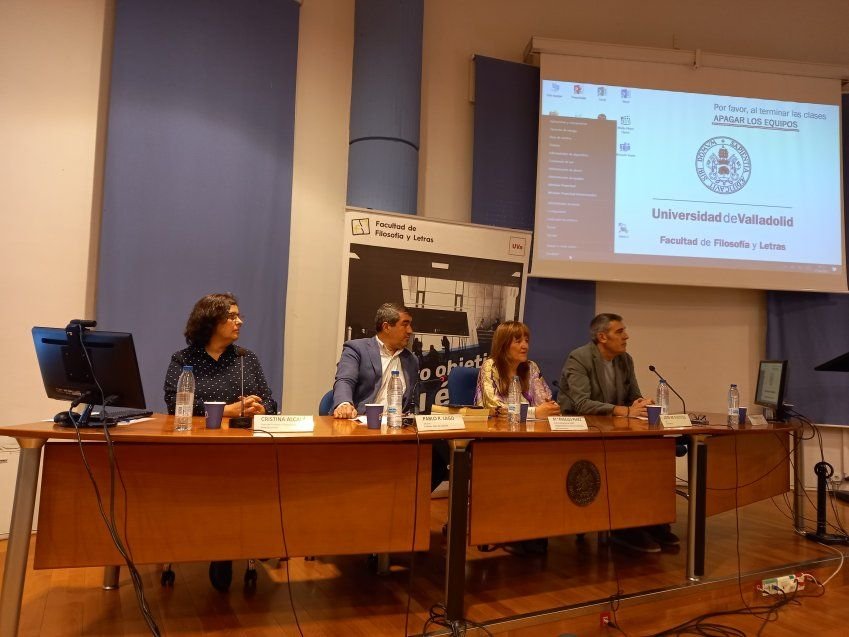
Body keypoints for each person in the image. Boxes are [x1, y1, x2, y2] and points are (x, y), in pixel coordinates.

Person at [164, 292, 278, 591]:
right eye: (232, 316)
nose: (240, 321)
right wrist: (226, 410)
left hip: (242, 448)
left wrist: (261, 407)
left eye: (238, 315)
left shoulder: (245, 358)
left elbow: (271, 401)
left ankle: (233, 546)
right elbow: (175, 405)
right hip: (197, 450)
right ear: (211, 321)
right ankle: (218, 547)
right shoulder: (184, 359)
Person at [557, 313, 678, 553]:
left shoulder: (625, 359)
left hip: (616, 428)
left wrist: (642, 403)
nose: (626, 336)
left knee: (653, 452)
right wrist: (624, 411)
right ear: (602, 337)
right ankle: (624, 527)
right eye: (620, 331)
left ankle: (651, 520)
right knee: (624, 459)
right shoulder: (579, 358)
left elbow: (634, 394)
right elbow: (581, 403)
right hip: (583, 430)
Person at [332, 302, 449, 491]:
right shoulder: (356, 349)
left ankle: (409, 502)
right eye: (405, 324)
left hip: (396, 428)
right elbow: (344, 380)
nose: (410, 330)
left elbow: (410, 399)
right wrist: (344, 403)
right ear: (387, 326)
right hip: (363, 427)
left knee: (439, 458)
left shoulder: (410, 359)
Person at [474, 321, 560, 419]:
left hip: (528, 430)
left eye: (526, 341)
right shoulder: (490, 366)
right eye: (518, 341)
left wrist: (551, 408)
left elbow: (544, 403)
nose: (525, 346)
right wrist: (533, 413)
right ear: (503, 345)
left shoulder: (531, 367)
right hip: (498, 430)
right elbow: (496, 409)